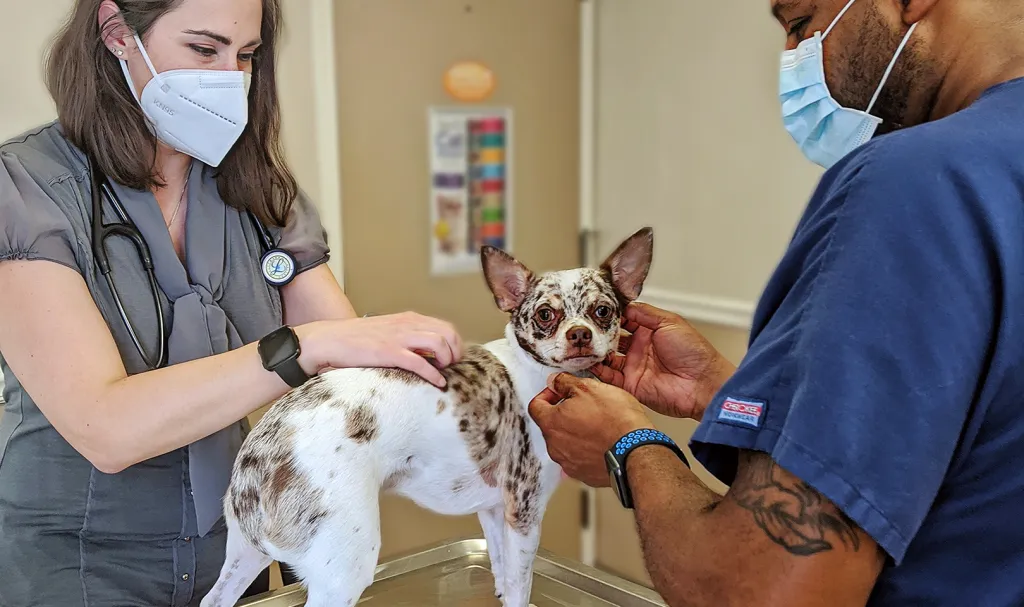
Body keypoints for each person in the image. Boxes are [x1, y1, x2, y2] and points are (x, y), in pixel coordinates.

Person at [529, 0, 1024, 605]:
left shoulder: (912, 184)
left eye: (799, 23)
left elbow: (760, 592)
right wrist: (725, 393)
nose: (793, 60)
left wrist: (629, 445)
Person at [0, 1, 463, 605]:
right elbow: (105, 429)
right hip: (78, 565)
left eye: (245, 56)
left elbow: (350, 375)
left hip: (235, 556)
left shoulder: (257, 191)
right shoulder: (25, 191)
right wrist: (301, 350)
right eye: (203, 49)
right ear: (117, 33)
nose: (229, 78)